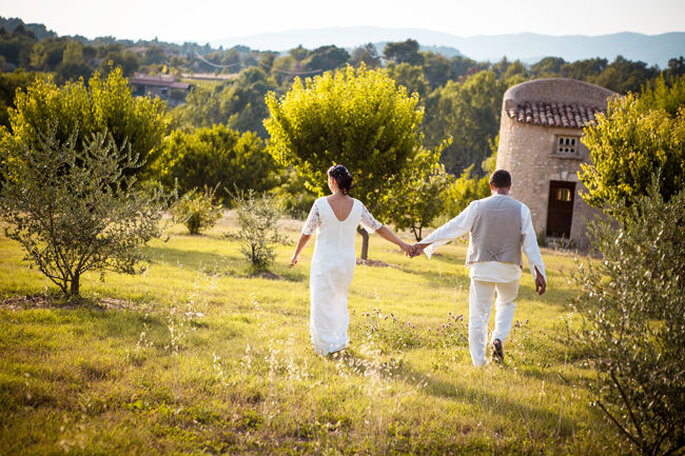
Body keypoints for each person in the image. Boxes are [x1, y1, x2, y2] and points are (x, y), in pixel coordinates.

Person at [409, 169, 546, 366]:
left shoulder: (477, 206)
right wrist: (538, 273)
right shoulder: (521, 209)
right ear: (510, 187)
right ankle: (498, 338)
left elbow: (453, 227)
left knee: (478, 315)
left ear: (491, 186)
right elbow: (531, 243)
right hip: (509, 269)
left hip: (482, 267)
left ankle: (480, 362)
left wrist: (423, 244)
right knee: (506, 304)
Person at [290, 165, 413, 356]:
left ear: (332, 180)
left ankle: (325, 346)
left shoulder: (320, 204)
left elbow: (307, 232)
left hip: (324, 261)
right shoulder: (358, 206)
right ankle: (338, 341)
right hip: (346, 263)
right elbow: (378, 227)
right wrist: (402, 244)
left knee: (322, 300)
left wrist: (296, 254)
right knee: (339, 299)